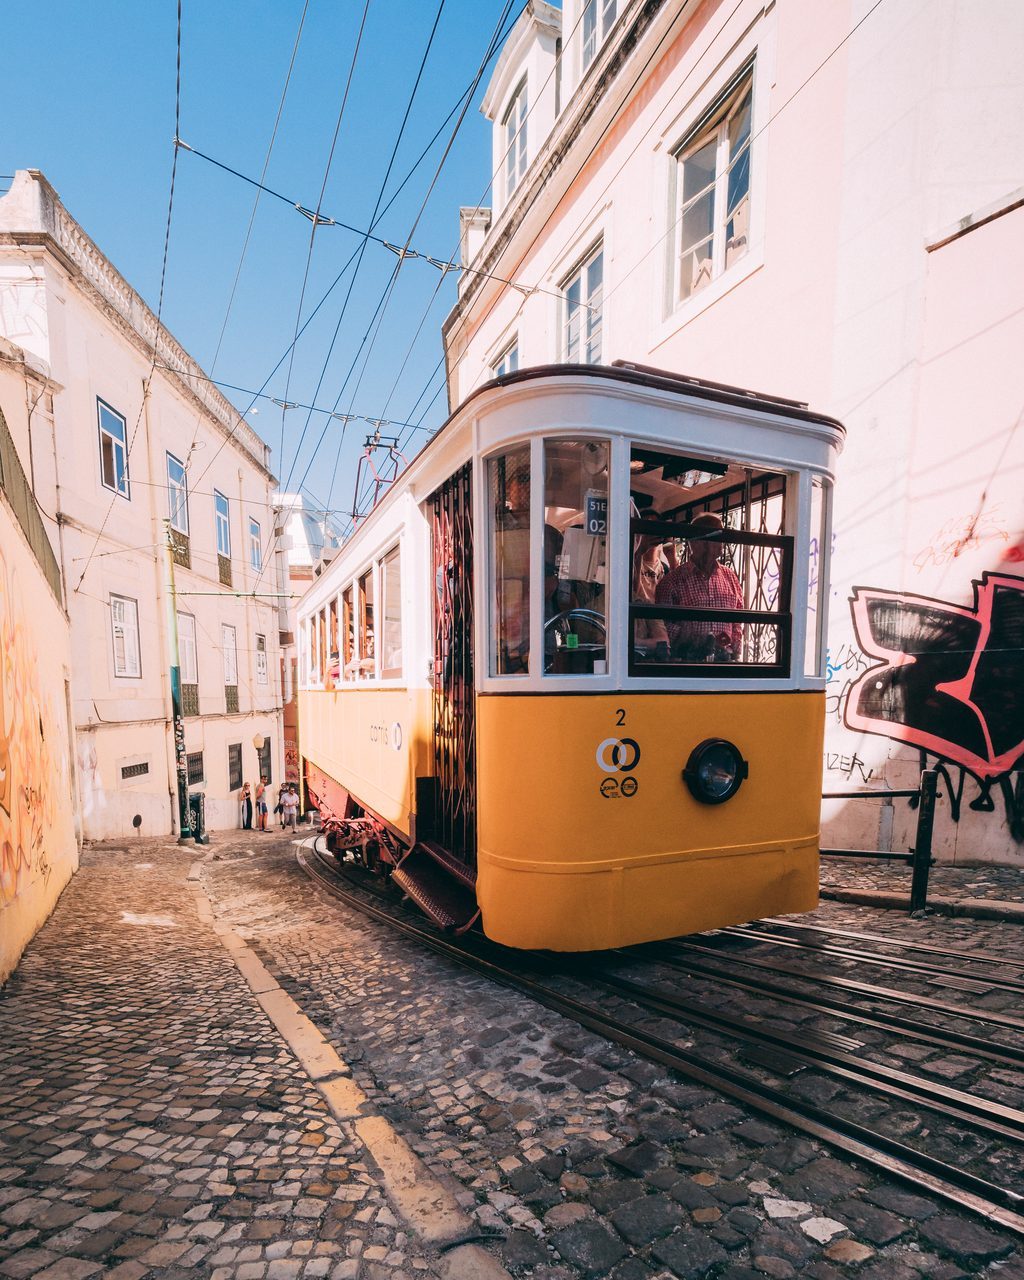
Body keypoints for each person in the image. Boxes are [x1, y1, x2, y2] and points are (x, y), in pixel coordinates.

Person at [655, 511, 743, 661]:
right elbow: (662, 626)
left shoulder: (730, 577)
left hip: (724, 661)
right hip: (688, 662)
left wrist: (734, 649)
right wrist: (696, 639)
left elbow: (738, 618)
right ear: (696, 542)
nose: (721, 543)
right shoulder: (672, 581)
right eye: (716, 537)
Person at [631, 507, 670, 662]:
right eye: (646, 527)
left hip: (657, 623)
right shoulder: (632, 560)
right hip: (638, 620)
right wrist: (639, 551)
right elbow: (635, 593)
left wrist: (671, 554)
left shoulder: (664, 567)